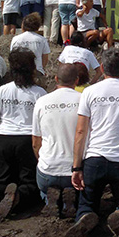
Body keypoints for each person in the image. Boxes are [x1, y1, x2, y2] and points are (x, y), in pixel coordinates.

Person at [68, 48, 119, 236]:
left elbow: (81, 131)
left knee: (86, 204)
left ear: (102, 67)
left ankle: (86, 217)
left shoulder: (90, 92)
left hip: (95, 159)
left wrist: (77, 167)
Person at [0, 48, 47, 219]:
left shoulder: (2, 91)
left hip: (3, 138)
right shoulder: (39, 94)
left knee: (1, 178)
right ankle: (17, 196)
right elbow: (44, 125)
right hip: (27, 139)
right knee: (29, 182)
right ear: (32, 69)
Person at [32, 63, 81, 218]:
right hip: (75, 171)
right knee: (84, 193)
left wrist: (42, 160)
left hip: (48, 169)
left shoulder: (41, 102)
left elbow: (35, 142)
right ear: (77, 80)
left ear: (55, 78)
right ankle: (72, 199)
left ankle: (49, 199)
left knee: (42, 190)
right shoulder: (84, 100)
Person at [10, 13, 51, 85]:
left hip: (20, 72)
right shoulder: (42, 40)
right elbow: (45, 58)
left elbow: (12, 56)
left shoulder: (16, 39)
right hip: (37, 71)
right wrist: (41, 68)